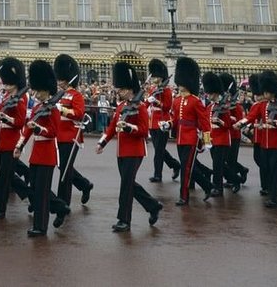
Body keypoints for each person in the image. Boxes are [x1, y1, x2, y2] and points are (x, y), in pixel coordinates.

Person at [96, 61, 163, 232]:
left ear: (130, 89)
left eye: (122, 89)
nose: (119, 92)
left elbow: (143, 130)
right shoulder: (121, 107)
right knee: (129, 184)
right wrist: (102, 142)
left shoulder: (139, 108)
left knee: (126, 185)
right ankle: (153, 205)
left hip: (135, 151)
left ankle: (124, 220)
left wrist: (128, 128)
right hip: (122, 151)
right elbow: (112, 127)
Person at [15, 60, 69, 237]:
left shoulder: (53, 109)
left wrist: (39, 129)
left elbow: (53, 131)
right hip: (35, 153)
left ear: (47, 90)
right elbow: (28, 129)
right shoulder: (38, 107)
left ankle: (41, 226)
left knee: (42, 192)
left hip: (47, 154)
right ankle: (59, 208)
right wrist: (20, 145)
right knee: (35, 190)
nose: (36, 94)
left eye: (39, 91)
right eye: (35, 90)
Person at [234, 70, 277, 208]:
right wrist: (241, 123)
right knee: (268, 169)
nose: (265, 94)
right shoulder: (262, 105)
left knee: (274, 170)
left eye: (267, 92)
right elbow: (251, 116)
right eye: (265, 92)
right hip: (265, 143)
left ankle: (275, 199)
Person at [0, 57, 30, 217]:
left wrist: (5, 118)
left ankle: (0, 208)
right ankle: (32, 197)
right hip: (3, 141)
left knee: (5, 178)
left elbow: (20, 122)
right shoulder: (7, 98)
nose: (5, 85)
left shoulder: (21, 98)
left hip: (13, 142)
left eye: (8, 83)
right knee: (7, 176)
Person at [53, 54, 94, 207]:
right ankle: (84, 185)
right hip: (58, 135)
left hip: (71, 137)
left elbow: (79, 113)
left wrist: (61, 109)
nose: (58, 81)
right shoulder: (59, 94)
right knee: (63, 166)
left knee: (65, 170)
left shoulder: (76, 95)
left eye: (60, 78)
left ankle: (63, 202)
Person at [171, 57, 212, 205]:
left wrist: (207, 141)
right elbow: (175, 120)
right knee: (187, 166)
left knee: (186, 168)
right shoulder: (176, 101)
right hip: (180, 138)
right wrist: (167, 125)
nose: (180, 85)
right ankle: (208, 186)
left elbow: (204, 121)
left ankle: (184, 196)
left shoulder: (195, 101)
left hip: (191, 138)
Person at [203, 72, 241, 197]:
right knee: (219, 165)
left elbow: (229, 124)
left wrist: (220, 121)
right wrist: (206, 140)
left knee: (217, 166)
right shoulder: (209, 107)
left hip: (222, 139)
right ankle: (236, 179)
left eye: (210, 93)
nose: (208, 95)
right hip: (212, 139)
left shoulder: (224, 106)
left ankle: (217, 188)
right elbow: (206, 125)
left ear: (216, 93)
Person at [146, 58, 181, 183]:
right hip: (152, 122)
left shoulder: (166, 90)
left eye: (155, 77)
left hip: (162, 122)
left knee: (159, 152)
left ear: (160, 77)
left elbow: (167, 107)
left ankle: (158, 175)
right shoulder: (152, 89)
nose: (154, 78)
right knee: (159, 149)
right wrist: (147, 101)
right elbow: (146, 105)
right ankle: (175, 165)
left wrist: (156, 101)